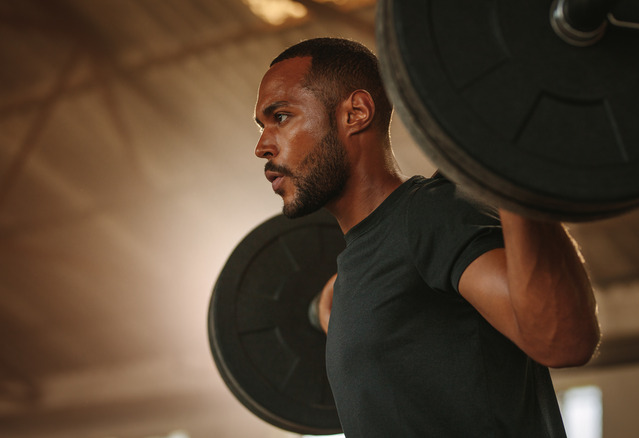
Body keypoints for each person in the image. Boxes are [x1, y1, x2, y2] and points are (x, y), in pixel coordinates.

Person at [254, 37, 600, 437]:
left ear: (356, 113)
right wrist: (323, 307)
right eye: (262, 126)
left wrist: (510, 163)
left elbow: (563, 340)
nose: (262, 146)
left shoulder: (431, 215)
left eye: (280, 117)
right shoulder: (356, 270)